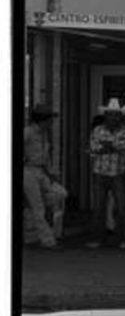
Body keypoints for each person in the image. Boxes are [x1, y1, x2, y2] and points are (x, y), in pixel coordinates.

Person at [87, 98, 125, 249]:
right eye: (110, 114)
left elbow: (124, 146)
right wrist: (113, 145)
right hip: (99, 173)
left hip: (118, 174)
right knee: (98, 208)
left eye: (116, 115)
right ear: (105, 115)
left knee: (121, 208)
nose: (113, 117)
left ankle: (124, 239)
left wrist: (105, 146)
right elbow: (94, 148)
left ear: (120, 116)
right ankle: (97, 239)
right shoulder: (97, 129)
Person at [22, 107, 66, 250]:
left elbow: (45, 157)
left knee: (61, 193)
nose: (51, 123)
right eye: (49, 120)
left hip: (41, 171)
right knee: (39, 208)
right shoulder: (28, 132)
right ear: (42, 120)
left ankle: (30, 210)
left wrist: (51, 173)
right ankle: (48, 241)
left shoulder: (44, 134)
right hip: (28, 170)